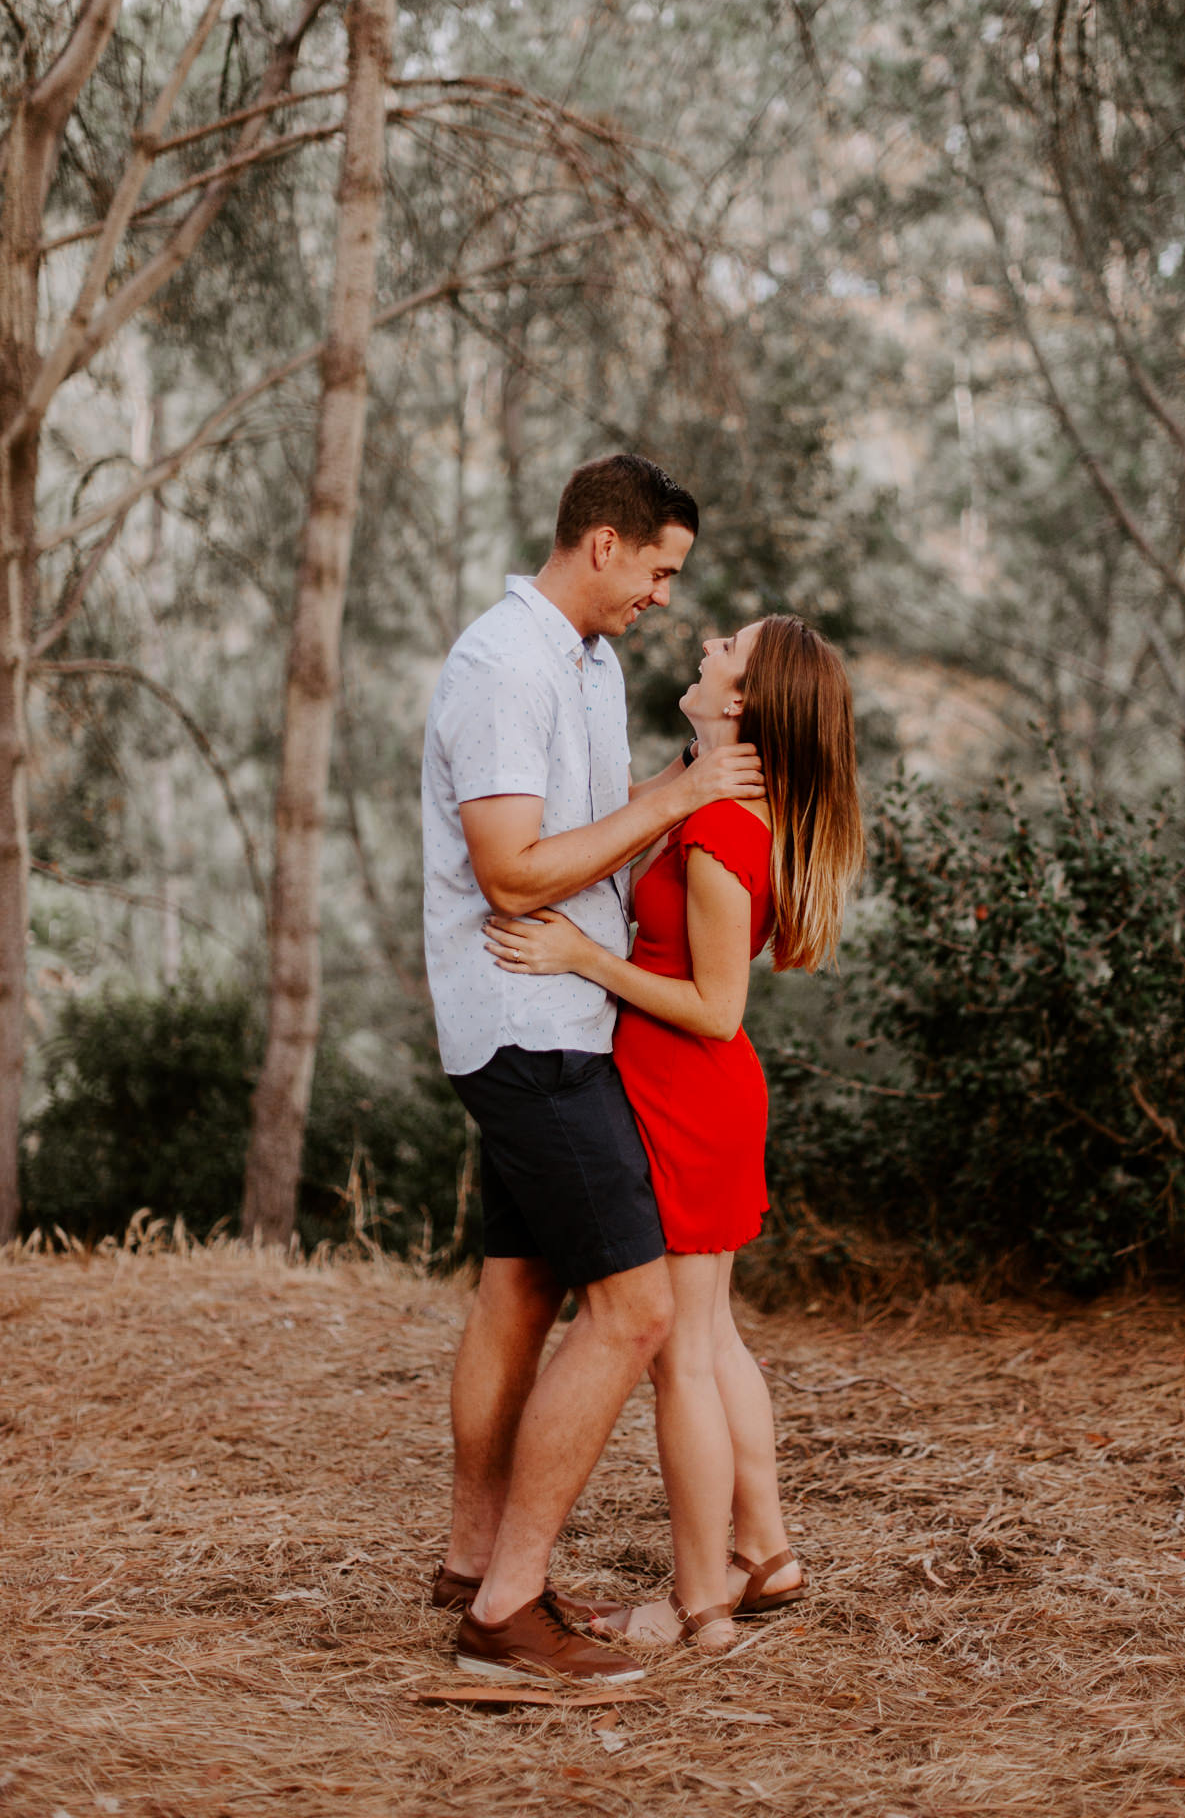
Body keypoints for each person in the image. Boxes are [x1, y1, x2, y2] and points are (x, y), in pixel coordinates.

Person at [422, 452, 766, 1684]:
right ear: (603, 544)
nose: (665, 596)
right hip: (530, 1023)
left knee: (518, 1290)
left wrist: (669, 796)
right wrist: (680, 793)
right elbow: (515, 868)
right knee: (633, 1308)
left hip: (566, 1016)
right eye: (659, 569)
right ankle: (507, 1610)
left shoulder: (589, 659)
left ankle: (472, 1559)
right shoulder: (504, 665)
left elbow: (582, 827)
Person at [485, 613, 864, 1650]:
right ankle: (769, 1552)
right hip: (692, 1093)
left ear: (741, 701)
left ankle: (700, 1601)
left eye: (723, 649)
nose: (704, 644)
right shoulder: (716, 795)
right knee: (713, 1336)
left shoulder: (719, 831)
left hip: (690, 1089)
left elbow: (714, 1006)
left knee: (681, 1356)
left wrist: (579, 958)